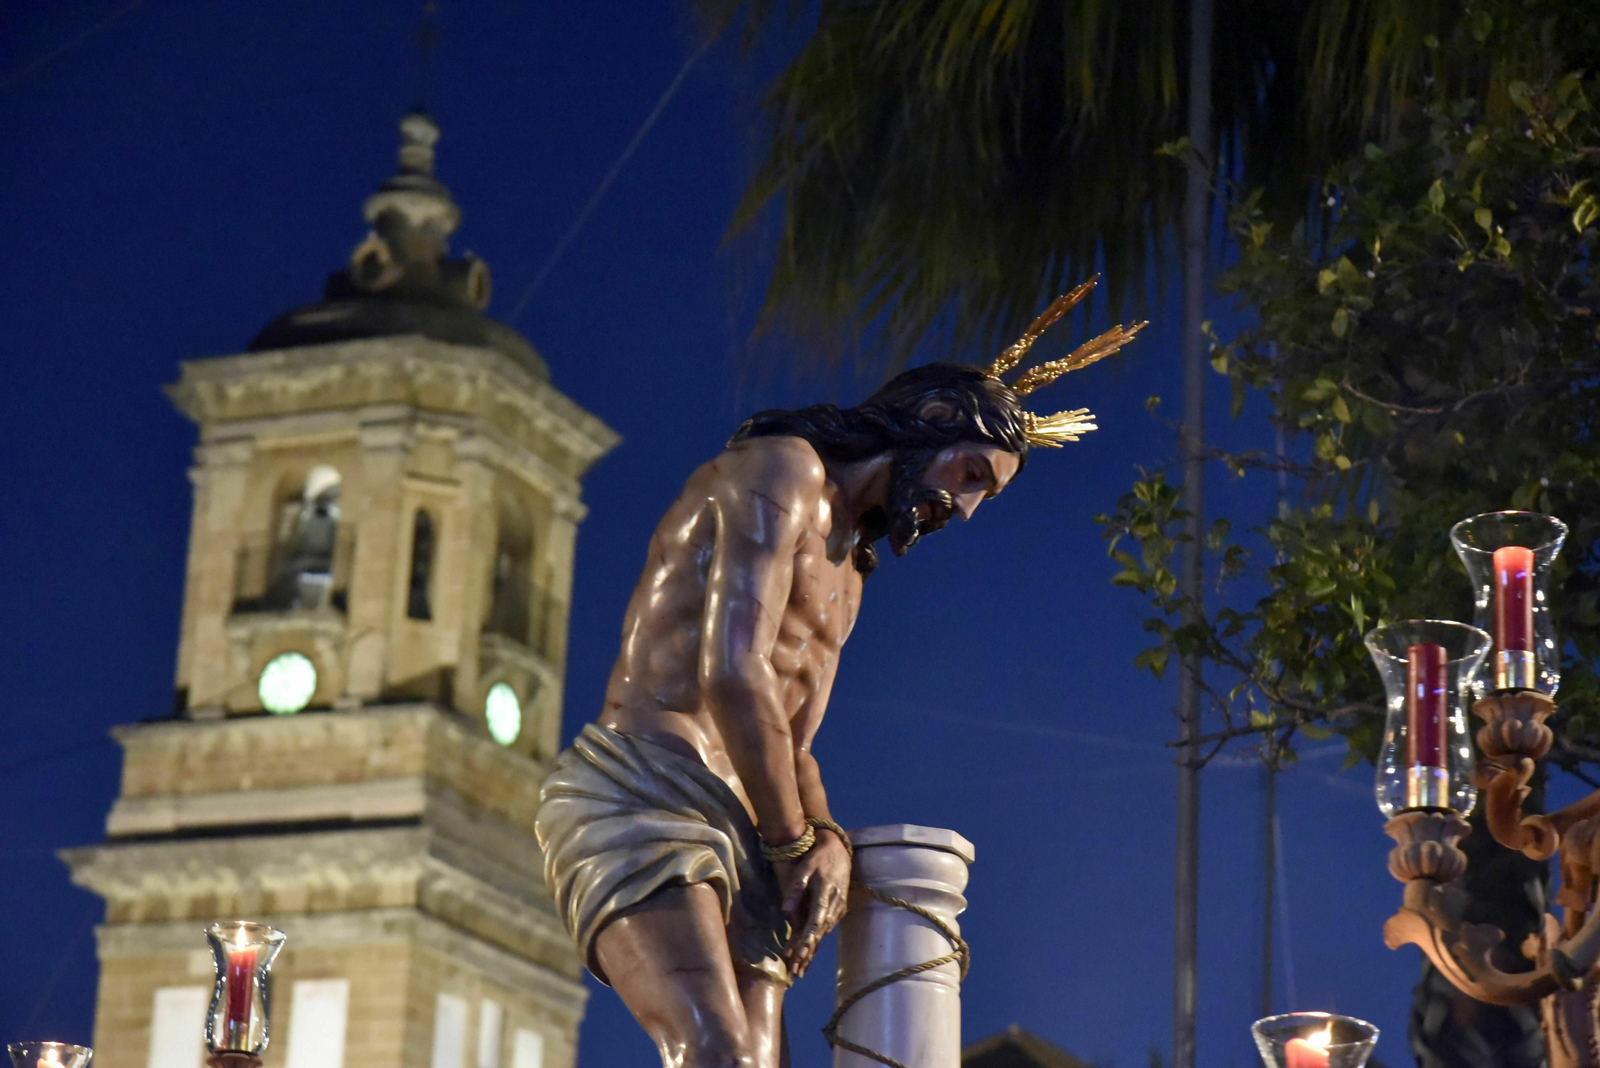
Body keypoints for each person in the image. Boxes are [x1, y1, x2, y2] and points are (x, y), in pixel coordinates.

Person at [536, 283, 1142, 1068]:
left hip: (752, 821)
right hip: (646, 788)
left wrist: (823, 837)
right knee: (714, 1052)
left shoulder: (851, 572)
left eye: (983, 496)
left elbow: (792, 740)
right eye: (970, 477)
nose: (963, 511)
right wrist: (796, 843)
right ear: (928, 423)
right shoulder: (779, 470)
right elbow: (730, 671)